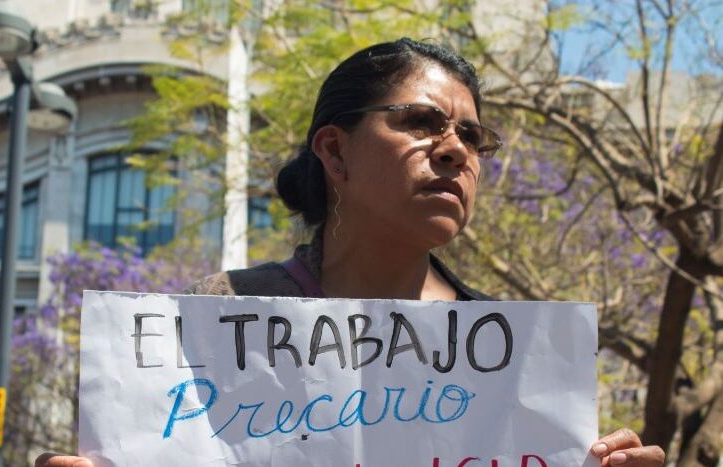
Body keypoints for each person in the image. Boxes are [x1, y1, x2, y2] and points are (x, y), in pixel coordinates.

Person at [35, 38, 665, 467]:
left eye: (472, 136)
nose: (455, 150)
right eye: (421, 122)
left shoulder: (517, 358)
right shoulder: (207, 321)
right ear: (334, 152)